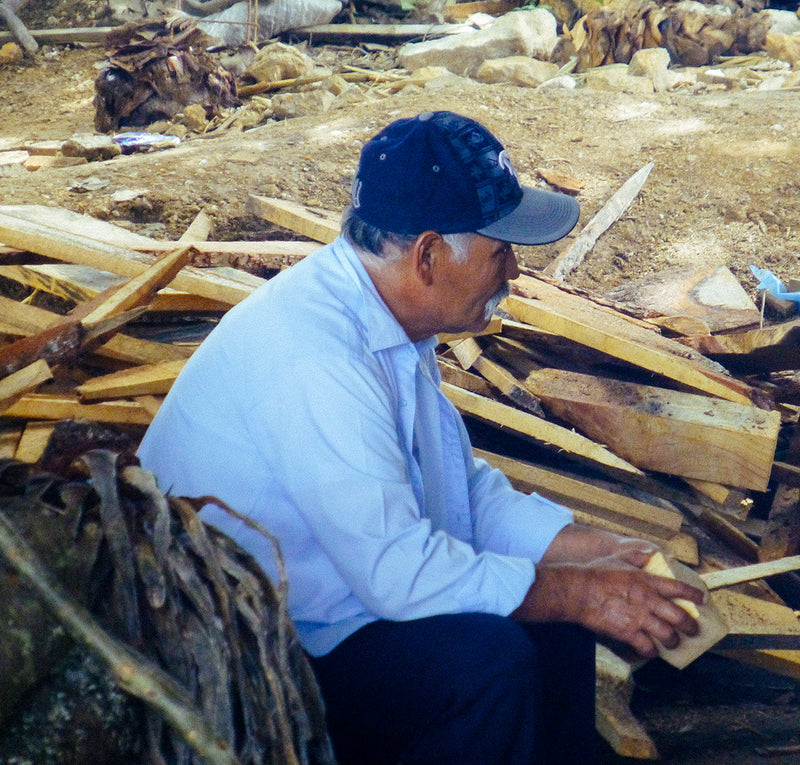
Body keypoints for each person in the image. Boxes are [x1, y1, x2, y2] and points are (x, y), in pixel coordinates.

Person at [138, 111, 703, 764]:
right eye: (500, 251)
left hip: (338, 612)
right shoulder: (315, 354)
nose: (514, 271)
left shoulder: (389, 319)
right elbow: (397, 574)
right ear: (428, 255)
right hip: (248, 656)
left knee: (559, 628)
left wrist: (597, 552)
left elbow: (460, 492)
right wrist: (581, 590)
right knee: (490, 665)